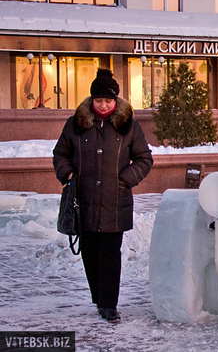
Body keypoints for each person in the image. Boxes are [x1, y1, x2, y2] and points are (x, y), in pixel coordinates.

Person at [53, 68, 153, 323]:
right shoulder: (76, 123)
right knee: (90, 251)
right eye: (99, 100)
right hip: (83, 199)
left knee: (110, 252)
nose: (104, 105)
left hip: (114, 199)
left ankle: (109, 305)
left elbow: (144, 158)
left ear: (116, 101)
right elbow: (60, 154)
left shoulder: (129, 125)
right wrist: (68, 174)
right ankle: (99, 298)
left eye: (108, 100)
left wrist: (126, 178)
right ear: (92, 100)